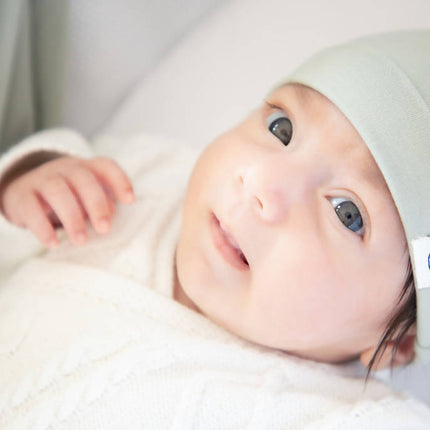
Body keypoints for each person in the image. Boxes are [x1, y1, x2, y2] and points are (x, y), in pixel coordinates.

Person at [0, 30, 429, 429]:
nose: (262, 182)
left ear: (398, 344)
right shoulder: (139, 181)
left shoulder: (342, 414)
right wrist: (25, 185)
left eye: (347, 213)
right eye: (281, 129)